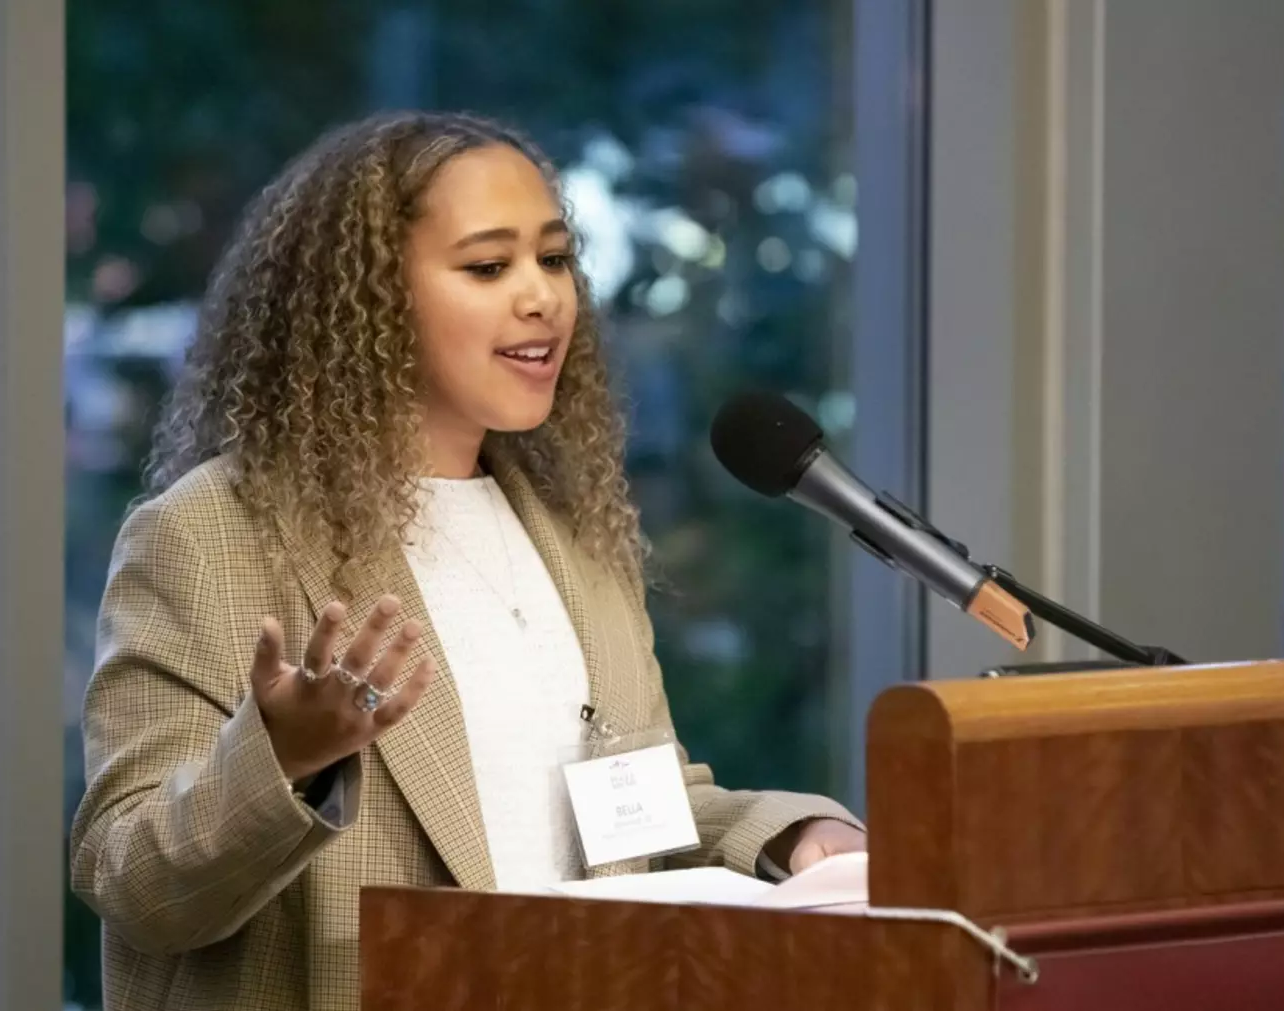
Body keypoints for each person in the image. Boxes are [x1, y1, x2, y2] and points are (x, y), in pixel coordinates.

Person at [68, 110, 865, 1011]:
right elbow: (130, 878)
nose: (543, 298)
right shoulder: (211, 531)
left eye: (555, 259)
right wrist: (283, 759)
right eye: (489, 267)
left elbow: (632, 814)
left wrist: (791, 839)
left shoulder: (574, 534)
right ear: (361, 296)